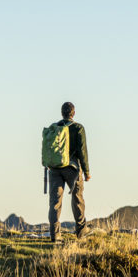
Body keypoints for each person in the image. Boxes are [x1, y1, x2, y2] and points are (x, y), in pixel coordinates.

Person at [46, 101, 90, 242]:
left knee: (55, 202)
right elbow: (83, 152)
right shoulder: (78, 128)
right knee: (77, 198)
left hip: (55, 168)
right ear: (74, 113)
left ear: (61, 113)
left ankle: (55, 235)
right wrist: (87, 171)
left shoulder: (55, 127)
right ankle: (81, 231)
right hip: (73, 169)